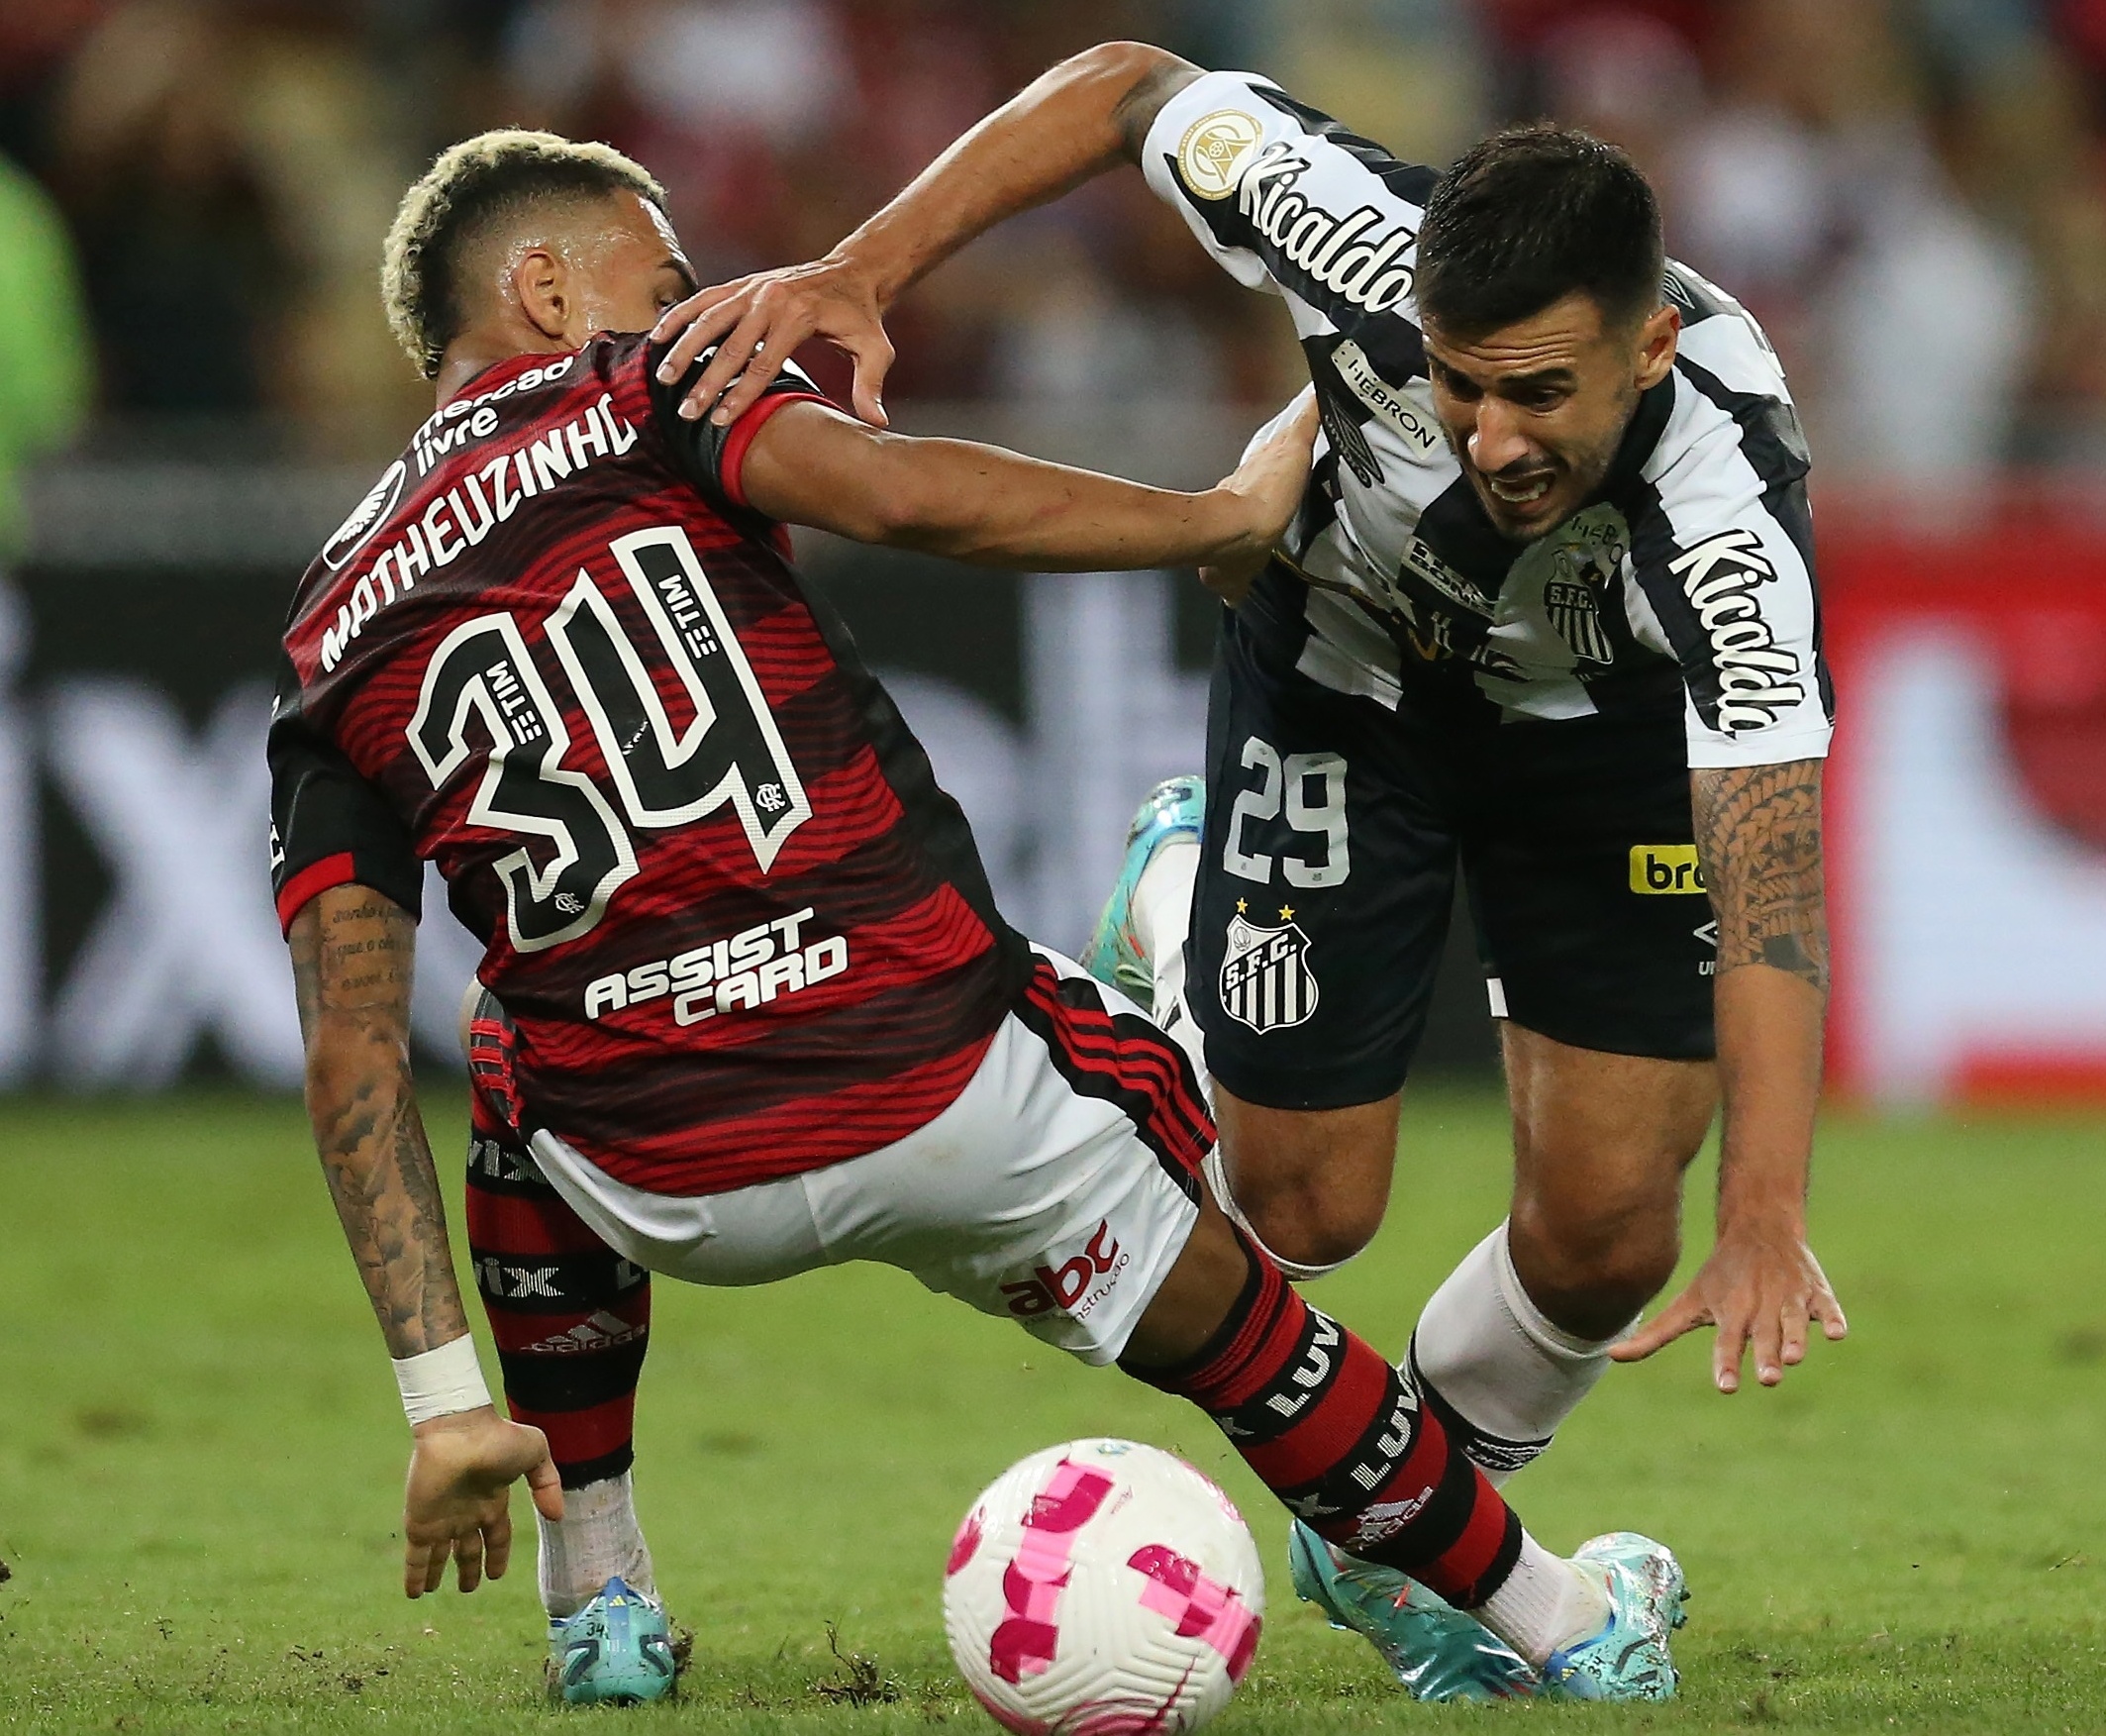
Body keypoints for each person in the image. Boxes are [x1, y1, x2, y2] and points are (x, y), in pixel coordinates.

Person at [271, 129, 1691, 1710]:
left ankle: (596, 1592)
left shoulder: (329, 623)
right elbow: (907, 493)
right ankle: (1560, 1618)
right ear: (544, 288)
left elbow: (346, 1052)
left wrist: (441, 1400)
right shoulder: (643, 392)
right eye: (663, 280)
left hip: (665, 1178)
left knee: (511, 1057)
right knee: (1243, 1296)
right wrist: (1212, 518)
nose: (698, 307)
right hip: (942, 1079)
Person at [654, 40, 1848, 1700]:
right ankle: (1181, 884)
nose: (1493, 438)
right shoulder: (1341, 228)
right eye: (1457, 384)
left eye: (1540, 394)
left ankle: (1388, 1538)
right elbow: (1125, 84)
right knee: (1298, 1211)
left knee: (1602, 1239)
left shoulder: (1727, 521)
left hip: (1601, 755)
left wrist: (1765, 1210)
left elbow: (1774, 886)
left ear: (1650, 344)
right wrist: (861, 269)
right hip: (1347, 680)